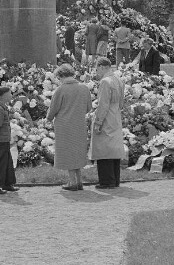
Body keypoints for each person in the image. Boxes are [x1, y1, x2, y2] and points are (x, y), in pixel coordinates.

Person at [46, 64, 92, 191]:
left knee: (68, 152)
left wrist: (48, 119)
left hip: (64, 125)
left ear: (61, 76)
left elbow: (53, 109)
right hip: (79, 124)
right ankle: (79, 181)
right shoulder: (84, 88)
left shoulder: (61, 89)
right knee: (77, 151)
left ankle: (72, 182)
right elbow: (89, 107)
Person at [89, 57, 125, 189]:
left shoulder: (105, 82)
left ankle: (107, 180)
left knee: (103, 149)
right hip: (116, 115)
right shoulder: (118, 79)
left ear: (103, 67)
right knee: (114, 149)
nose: (96, 72)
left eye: (97, 68)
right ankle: (115, 179)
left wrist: (98, 122)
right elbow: (122, 102)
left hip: (107, 116)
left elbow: (103, 104)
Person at [0, 86, 20, 195]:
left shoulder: (2, 107)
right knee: (1, 164)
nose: (11, 95)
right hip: (0, 140)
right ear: (3, 96)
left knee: (7, 162)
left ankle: (7, 184)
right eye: (9, 94)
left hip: (4, 139)